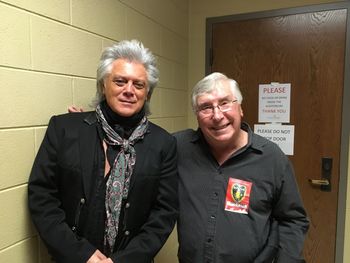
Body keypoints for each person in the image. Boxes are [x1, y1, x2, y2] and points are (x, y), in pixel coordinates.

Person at [28, 40, 178, 263]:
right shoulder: (65, 129)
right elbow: (42, 197)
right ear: (102, 85)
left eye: (138, 85)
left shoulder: (163, 143)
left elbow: (163, 214)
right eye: (120, 81)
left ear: (147, 94)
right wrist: (81, 254)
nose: (129, 90)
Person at [174, 72, 309, 263]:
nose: (217, 115)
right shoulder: (179, 148)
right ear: (197, 116)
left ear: (240, 108)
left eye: (225, 103)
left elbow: (293, 220)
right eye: (205, 107)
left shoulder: (271, 158)